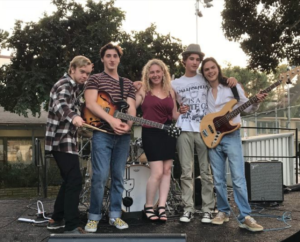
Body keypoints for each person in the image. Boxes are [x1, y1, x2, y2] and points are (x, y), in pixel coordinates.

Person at [172, 44, 237, 223]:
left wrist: (231, 79)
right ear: (184, 60)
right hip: (184, 128)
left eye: (197, 59)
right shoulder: (174, 83)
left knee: (206, 172)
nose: (195, 62)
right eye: (191, 59)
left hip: (204, 130)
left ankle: (208, 209)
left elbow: (221, 82)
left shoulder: (205, 78)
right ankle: (188, 208)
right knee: (186, 172)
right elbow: (169, 108)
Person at [200, 57, 266, 232]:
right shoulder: (204, 90)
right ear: (204, 73)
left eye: (212, 68)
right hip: (213, 137)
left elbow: (247, 108)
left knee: (237, 178)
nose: (210, 71)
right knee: (219, 179)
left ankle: (245, 216)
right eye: (206, 69)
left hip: (231, 135)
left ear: (218, 68)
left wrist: (256, 101)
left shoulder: (232, 86)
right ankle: (222, 211)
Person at [84, 43, 136, 232]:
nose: (112, 59)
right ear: (103, 59)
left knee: (118, 177)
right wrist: (111, 121)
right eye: (108, 55)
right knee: (99, 176)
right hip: (102, 134)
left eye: (115, 55)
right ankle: (94, 216)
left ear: (119, 59)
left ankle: (115, 215)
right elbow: (90, 103)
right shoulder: (95, 79)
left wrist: (127, 125)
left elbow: (131, 108)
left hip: (122, 136)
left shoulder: (128, 83)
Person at [45, 55, 93, 234]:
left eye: (87, 73)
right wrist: (74, 117)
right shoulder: (63, 85)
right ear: (72, 69)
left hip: (67, 141)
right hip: (60, 140)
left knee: (69, 180)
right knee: (74, 180)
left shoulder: (76, 87)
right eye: (82, 72)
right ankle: (72, 225)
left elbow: (88, 88)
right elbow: (61, 105)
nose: (84, 76)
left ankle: (56, 218)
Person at [135, 59, 180, 221]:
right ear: (147, 74)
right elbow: (132, 107)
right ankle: (148, 206)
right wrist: (130, 91)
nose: (155, 75)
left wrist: (183, 111)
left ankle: (161, 207)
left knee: (167, 171)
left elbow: (174, 115)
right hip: (151, 133)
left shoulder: (170, 91)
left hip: (168, 132)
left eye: (158, 72)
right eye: (152, 72)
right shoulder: (143, 91)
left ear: (163, 73)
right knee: (157, 172)